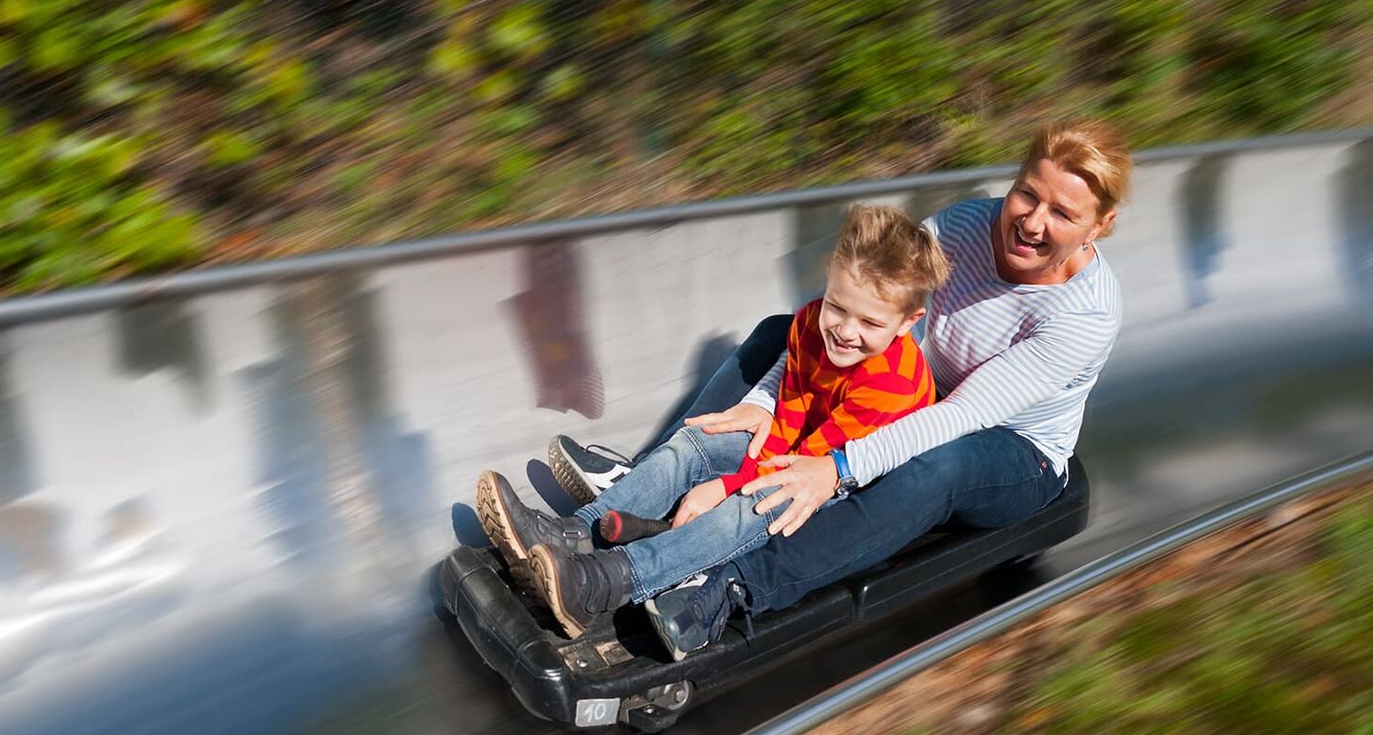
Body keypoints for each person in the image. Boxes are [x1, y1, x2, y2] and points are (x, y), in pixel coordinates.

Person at [551, 118, 1129, 659]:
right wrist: (761, 402)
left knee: (934, 466)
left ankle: (731, 583)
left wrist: (834, 468)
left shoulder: (1085, 315)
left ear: (1098, 226)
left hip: (1007, 446)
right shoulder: (963, 228)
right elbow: (866, 304)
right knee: (785, 331)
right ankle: (646, 481)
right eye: (1028, 194)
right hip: (911, 392)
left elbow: (959, 416)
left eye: (1062, 212)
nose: (1031, 222)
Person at [476, 204, 951, 643]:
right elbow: (791, 407)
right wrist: (733, 470)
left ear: (908, 322)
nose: (846, 331)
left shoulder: (892, 383)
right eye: (838, 307)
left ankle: (604, 582)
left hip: (847, 480)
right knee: (696, 442)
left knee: (757, 505)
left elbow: (810, 467)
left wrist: (727, 488)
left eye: (869, 322)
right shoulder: (809, 324)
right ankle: (575, 533)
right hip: (802, 448)